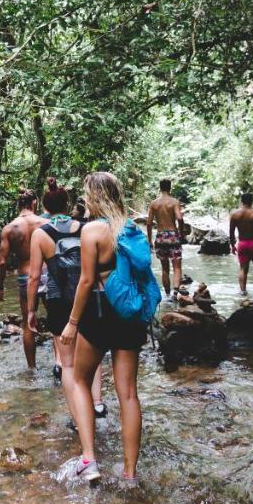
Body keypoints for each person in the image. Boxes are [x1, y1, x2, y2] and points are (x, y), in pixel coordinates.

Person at [59, 171, 148, 484]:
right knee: (128, 394)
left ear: (94, 196)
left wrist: (71, 323)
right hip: (130, 312)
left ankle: (90, 460)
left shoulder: (92, 230)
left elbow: (85, 280)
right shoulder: (132, 228)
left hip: (100, 311)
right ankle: (129, 473)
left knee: (81, 380)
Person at [26, 178, 105, 421]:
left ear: (45, 207)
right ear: (67, 203)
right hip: (90, 297)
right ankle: (99, 403)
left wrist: (31, 310)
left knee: (69, 364)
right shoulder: (87, 228)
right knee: (94, 354)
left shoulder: (40, 234)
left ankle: (79, 419)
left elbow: (35, 276)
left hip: (59, 300)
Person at [0, 188, 47, 369]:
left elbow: (1, 262)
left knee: (27, 325)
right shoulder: (45, 223)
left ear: (19, 205)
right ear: (34, 203)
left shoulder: (10, 228)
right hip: (47, 274)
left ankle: (32, 368)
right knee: (58, 320)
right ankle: (62, 364)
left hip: (25, 276)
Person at [147, 178, 186, 293]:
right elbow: (180, 218)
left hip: (160, 236)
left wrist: (149, 240)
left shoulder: (154, 203)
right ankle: (175, 293)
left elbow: (149, 223)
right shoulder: (174, 202)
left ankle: (167, 295)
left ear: (160, 188)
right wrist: (181, 234)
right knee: (177, 267)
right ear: (170, 187)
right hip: (173, 235)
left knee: (165, 269)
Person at [228, 192, 253, 294]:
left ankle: (243, 291)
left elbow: (231, 233)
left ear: (241, 201)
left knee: (243, 269)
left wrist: (232, 246)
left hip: (242, 244)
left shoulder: (234, 215)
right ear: (252, 201)